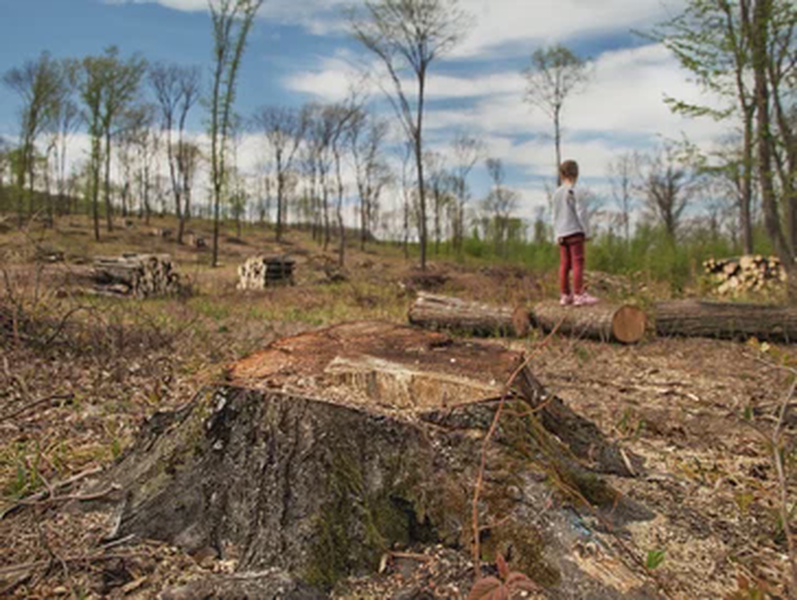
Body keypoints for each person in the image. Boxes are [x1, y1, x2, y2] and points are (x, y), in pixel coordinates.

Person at [552, 160, 598, 306]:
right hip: (575, 231)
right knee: (578, 262)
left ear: (561, 174)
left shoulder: (556, 193)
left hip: (562, 233)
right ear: (576, 174)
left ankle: (565, 295)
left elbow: (554, 215)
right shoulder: (576, 191)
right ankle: (579, 294)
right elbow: (581, 212)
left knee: (564, 264)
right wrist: (587, 231)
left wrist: (556, 234)